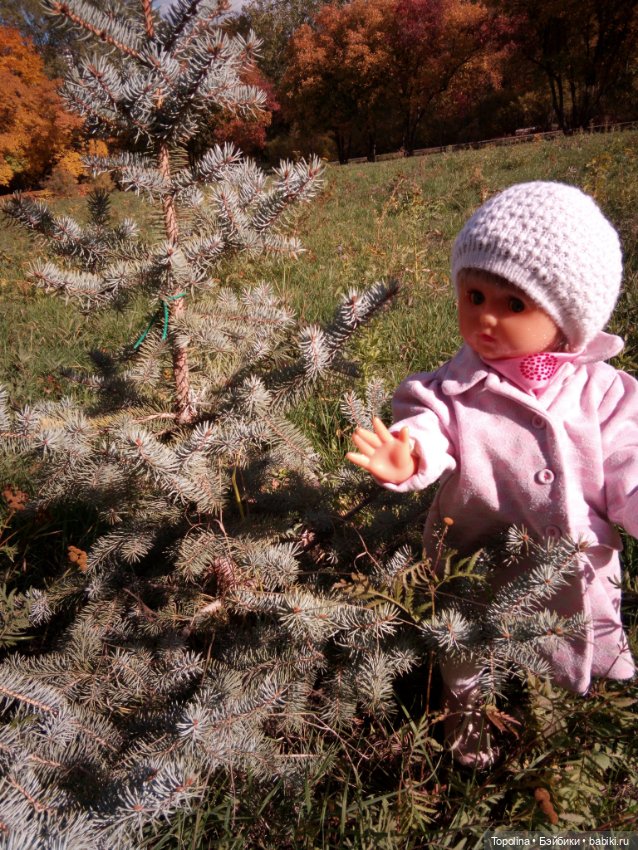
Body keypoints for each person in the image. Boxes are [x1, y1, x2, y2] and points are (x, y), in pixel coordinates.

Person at [346, 181, 638, 766]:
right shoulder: (450, 391)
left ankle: (563, 734)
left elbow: (628, 462)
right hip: (476, 558)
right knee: (466, 648)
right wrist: (411, 455)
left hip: (573, 562)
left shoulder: (602, 394)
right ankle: (467, 723)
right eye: (474, 295)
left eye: (513, 305)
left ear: (567, 321)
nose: (486, 319)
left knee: (574, 632)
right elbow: (429, 428)